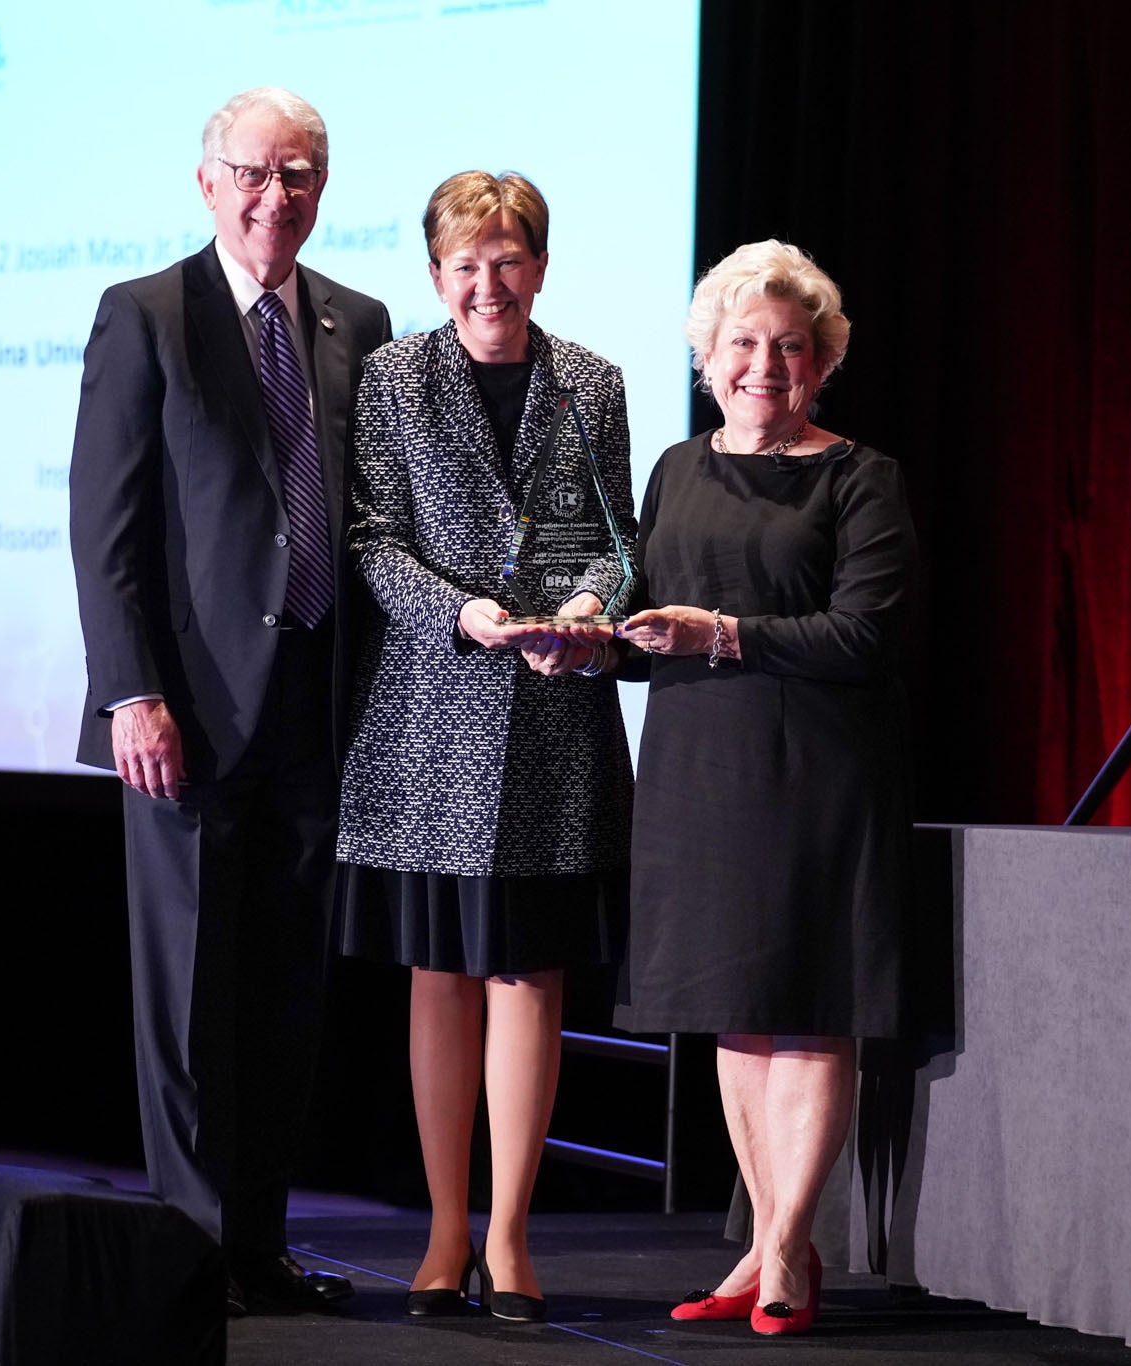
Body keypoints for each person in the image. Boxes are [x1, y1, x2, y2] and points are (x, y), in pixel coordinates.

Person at [67, 87, 393, 1318]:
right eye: (254, 173)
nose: (276, 197)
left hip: (320, 709)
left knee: (284, 1002)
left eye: (299, 175)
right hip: (186, 719)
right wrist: (131, 692)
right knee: (191, 999)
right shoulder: (145, 315)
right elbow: (105, 531)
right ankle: (195, 1255)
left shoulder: (358, 323)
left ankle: (257, 1244)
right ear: (206, 182)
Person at [335, 171, 635, 1324]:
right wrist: (456, 616)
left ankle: (508, 1234)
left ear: (540, 267)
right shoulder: (393, 376)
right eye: (464, 262)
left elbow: (614, 537)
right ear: (433, 274)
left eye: (506, 259)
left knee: (529, 970)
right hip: (429, 712)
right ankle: (442, 1229)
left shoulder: (591, 384)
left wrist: (584, 614)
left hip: (555, 713)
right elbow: (371, 535)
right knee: (440, 973)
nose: (486, 282)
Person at [612, 240, 918, 1337]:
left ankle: (788, 1246)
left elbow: (863, 631)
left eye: (789, 347)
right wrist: (592, 645)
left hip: (816, 770)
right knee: (732, 1015)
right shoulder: (675, 470)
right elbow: (651, 619)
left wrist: (725, 633)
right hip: (697, 769)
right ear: (706, 355)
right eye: (742, 343)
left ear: (822, 361)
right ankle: (762, 1245)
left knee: (805, 1011)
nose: (762, 364)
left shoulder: (857, 476)